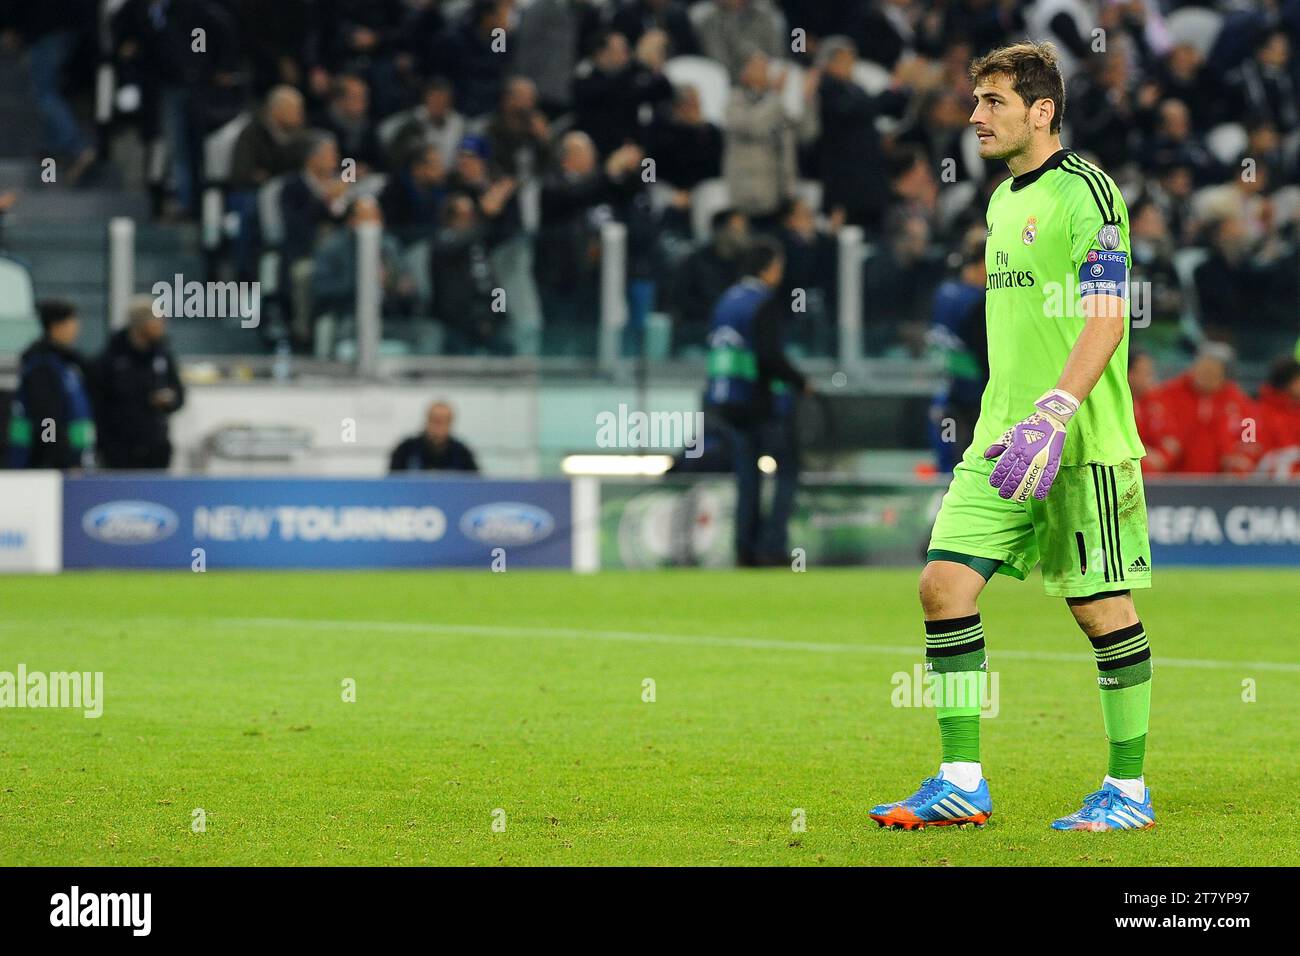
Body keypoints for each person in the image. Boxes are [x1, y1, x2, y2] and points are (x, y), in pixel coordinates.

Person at [872, 42, 1157, 834]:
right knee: (942, 587)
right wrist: (1021, 418)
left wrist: (1058, 411)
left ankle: (1128, 792)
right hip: (1002, 438)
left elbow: (1108, 314)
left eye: (993, 102)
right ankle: (961, 780)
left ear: (1042, 111)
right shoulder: (999, 201)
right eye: (975, 102)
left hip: (1080, 437)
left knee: (1101, 609)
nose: (974, 117)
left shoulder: (1090, 193)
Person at [703, 237, 810, 567]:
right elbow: (768, 357)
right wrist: (800, 381)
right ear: (768, 269)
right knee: (787, 468)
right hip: (757, 401)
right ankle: (772, 546)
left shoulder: (726, 301)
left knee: (747, 476)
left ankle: (744, 548)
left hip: (724, 401)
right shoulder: (762, 303)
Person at [95, 295, 185, 470]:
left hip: (156, 449)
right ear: (141, 323)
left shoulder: (162, 355)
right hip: (118, 450)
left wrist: (169, 401)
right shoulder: (111, 358)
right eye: (158, 320)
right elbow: (100, 401)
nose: (162, 325)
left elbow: (179, 394)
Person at [10, 300, 95, 470]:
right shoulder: (42, 366)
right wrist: (60, 459)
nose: (77, 329)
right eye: (72, 323)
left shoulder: (66, 363)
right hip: (48, 464)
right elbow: (47, 418)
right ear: (57, 326)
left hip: (75, 457)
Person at [389, 401, 479, 472]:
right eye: (435, 420)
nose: (439, 425)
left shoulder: (462, 453)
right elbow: (392, 483)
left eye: (444, 420)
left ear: (451, 422)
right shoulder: (406, 449)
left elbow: (476, 485)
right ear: (427, 420)